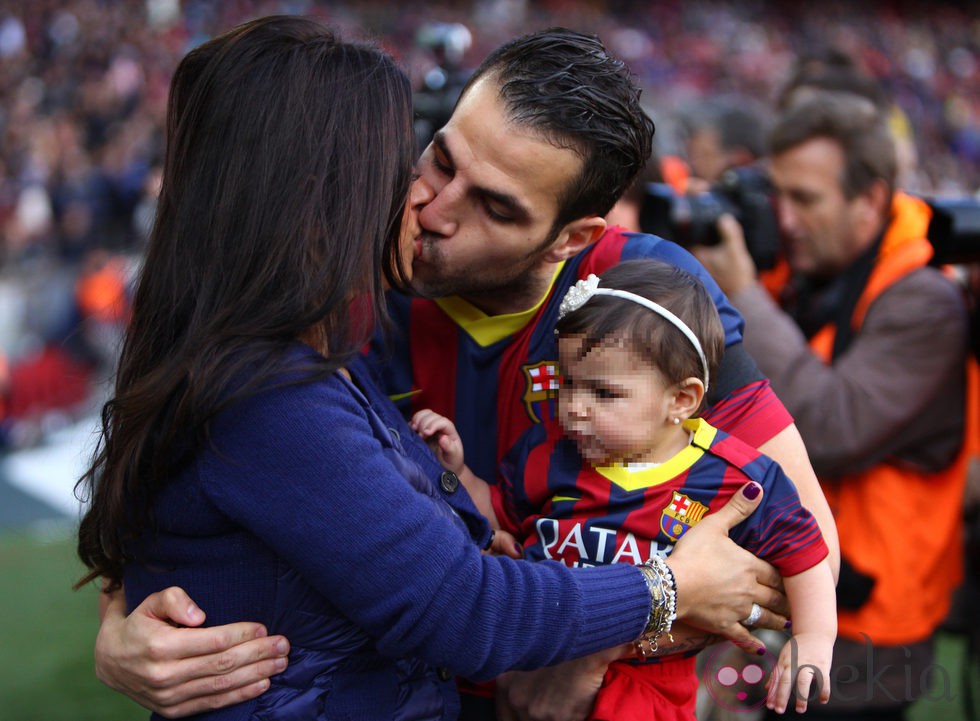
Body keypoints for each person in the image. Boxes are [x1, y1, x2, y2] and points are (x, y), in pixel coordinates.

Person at [91, 27, 837, 720]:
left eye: (495, 206)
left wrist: (600, 649)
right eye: (440, 159)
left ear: (570, 239)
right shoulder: (345, 291)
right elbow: (190, 454)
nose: (434, 207)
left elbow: (793, 543)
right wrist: (119, 621)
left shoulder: (645, 292)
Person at [411, 260, 837, 719]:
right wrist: (457, 473)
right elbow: (501, 519)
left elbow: (805, 553)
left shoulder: (734, 475)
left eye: (604, 394)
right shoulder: (547, 453)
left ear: (681, 400)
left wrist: (814, 637)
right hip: (530, 664)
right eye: (567, 384)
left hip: (645, 690)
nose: (575, 408)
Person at [694, 90, 970, 719]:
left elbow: (828, 425)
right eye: (778, 195)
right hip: (811, 595)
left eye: (806, 199)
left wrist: (740, 292)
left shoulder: (924, 300)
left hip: (870, 632)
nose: (784, 219)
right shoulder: (823, 269)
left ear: (870, 200)